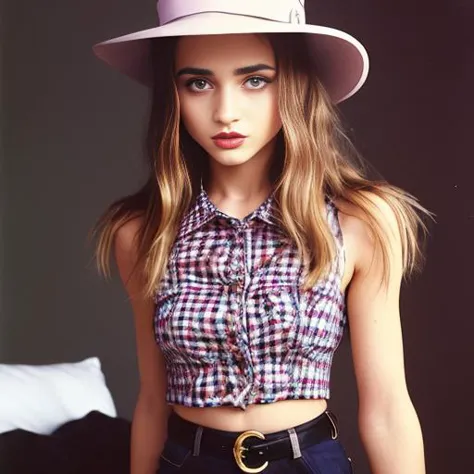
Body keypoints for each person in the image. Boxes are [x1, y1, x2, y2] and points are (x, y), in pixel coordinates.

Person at [91, 1, 431, 473]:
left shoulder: (361, 220)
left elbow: (388, 409)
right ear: (175, 94)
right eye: (199, 83)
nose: (225, 111)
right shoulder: (142, 232)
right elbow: (152, 401)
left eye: (255, 80)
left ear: (292, 83)